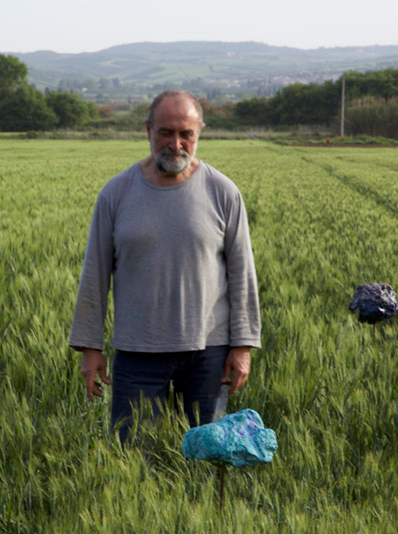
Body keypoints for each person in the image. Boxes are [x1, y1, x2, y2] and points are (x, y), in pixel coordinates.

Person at [68, 89, 261, 442]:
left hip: (208, 351)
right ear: (148, 130)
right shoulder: (116, 193)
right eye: (166, 132)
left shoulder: (223, 192)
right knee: (131, 455)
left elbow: (242, 275)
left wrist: (243, 346)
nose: (176, 144)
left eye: (186, 134)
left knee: (205, 456)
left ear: (199, 132)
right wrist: (90, 348)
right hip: (137, 352)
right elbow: (94, 274)